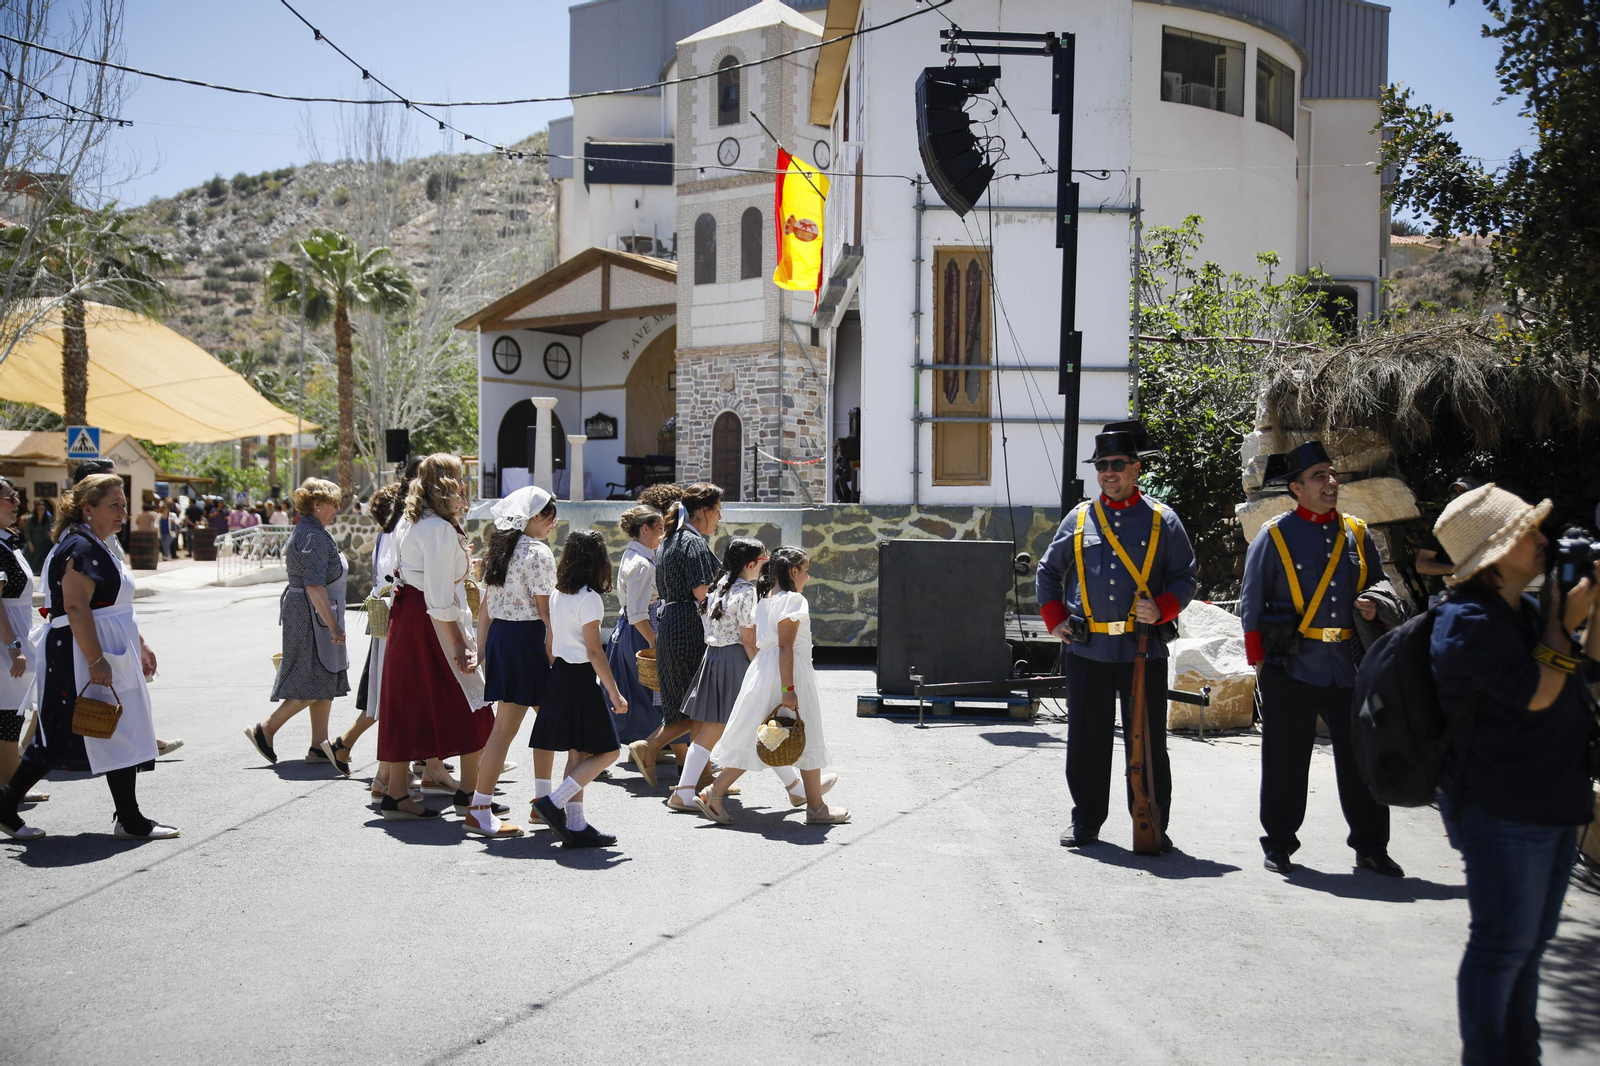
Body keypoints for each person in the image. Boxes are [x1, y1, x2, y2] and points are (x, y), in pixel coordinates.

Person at [1429, 484, 1598, 1065]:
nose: (1543, 540)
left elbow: (1588, 673)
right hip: (1502, 808)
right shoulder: (1466, 622)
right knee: (1502, 946)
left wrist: (1590, 611)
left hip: (1552, 799)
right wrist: (1564, 621)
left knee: (1529, 948)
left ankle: (1520, 1055)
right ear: (1495, 552)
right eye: (1529, 532)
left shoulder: (1524, 611)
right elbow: (1537, 691)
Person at [1241, 441, 1401, 876]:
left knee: (1361, 761)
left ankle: (1371, 847)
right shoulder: (1274, 536)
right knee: (1285, 761)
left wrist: (1374, 602)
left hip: (1347, 665)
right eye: (1319, 477)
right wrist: (1260, 669)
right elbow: (1250, 605)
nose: (1330, 483)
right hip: (1291, 666)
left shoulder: (1357, 532)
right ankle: (1278, 843)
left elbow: (1383, 586)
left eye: (1331, 475)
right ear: (1296, 488)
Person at [1036, 421, 1198, 851]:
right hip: (1088, 648)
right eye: (1102, 465)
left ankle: (1152, 819)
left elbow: (1185, 578)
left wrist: (1162, 607)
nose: (1108, 472)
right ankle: (1086, 820)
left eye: (1117, 464)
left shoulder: (1164, 520)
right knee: (1086, 741)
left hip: (1142, 649)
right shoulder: (1081, 517)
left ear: (1136, 468)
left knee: (1147, 742)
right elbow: (1048, 572)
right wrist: (1056, 621)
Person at [0, 474, 176, 841]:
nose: (123, 512)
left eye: (124, 504)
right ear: (87, 508)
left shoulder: (98, 542)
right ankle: (8, 806)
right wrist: (96, 661)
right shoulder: (78, 547)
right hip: (77, 654)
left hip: (104, 649)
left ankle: (128, 817)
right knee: (64, 734)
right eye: (114, 505)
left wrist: (139, 643)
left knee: (116, 729)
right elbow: (76, 607)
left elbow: (115, 604)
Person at [375, 453, 495, 822]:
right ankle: (469, 793)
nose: (463, 486)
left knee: (407, 704)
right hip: (431, 623)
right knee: (473, 704)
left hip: (409, 618)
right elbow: (441, 600)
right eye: (459, 479)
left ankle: (397, 792)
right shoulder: (439, 529)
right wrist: (459, 643)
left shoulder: (414, 522)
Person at [699, 546, 847, 825]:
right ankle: (816, 808)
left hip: (765, 671)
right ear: (793, 571)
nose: (808, 576)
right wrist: (788, 690)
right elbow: (786, 647)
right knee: (807, 732)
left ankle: (713, 792)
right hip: (787, 674)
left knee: (757, 737)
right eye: (805, 570)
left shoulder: (765, 598)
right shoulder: (793, 600)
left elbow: (765, 644)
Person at [463, 485, 559, 838]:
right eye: (551, 515)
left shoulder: (500, 550)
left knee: (536, 722)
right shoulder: (538, 553)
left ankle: (541, 803)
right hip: (528, 640)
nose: (555, 522)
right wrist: (555, 649)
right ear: (534, 516)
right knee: (513, 728)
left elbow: (486, 607)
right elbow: (547, 612)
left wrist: (483, 649)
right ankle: (482, 807)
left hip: (505, 640)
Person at [529, 530, 627, 848]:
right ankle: (554, 803)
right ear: (597, 562)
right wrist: (613, 692)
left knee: (579, 751)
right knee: (609, 751)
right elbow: (594, 651)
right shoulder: (590, 598)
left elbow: (551, 643)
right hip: (581, 679)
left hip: (560, 675)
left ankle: (576, 824)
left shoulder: (559, 593)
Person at [244, 479, 349, 768]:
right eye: (334, 503)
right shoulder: (312, 536)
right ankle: (265, 729)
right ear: (317, 505)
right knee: (312, 677)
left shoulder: (312, 531)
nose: (337, 509)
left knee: (324, 675)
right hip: (310, 614)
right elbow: (314, 586)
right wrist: (333, 626)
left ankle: (318, 745)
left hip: (311, 611)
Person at [631, 483, 722, 786]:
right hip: (688, 628)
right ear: (704, 511)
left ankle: (701, 776)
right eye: (717, 511)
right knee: (700, 706)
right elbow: (702, 593)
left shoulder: (671, 539)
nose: (719, 519)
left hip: (672, 624)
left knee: (694, 707)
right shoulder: (692, 543)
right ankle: (654, 748)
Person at [669, 537, 764, 812]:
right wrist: (760, 668)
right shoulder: (747, 592)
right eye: (762, 560)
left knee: (733, 726)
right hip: (734, 659)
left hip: (713, 657)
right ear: (750, 564)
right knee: (752, 723)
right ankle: (798, 788)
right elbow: (749, 640)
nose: (764, 565)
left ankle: (685, 791)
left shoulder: (722, 585)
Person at [321, 480, 405, 779]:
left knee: (380, 694)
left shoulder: (385, 536)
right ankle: (347, 745)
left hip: (384, 622)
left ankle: (347, 745)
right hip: (392, 623)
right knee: (383, 695)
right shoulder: (394, 537)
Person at [610, 504, 664, 749]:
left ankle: (652, 748)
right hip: (641, 632)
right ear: (645, 529)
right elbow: (637, 614)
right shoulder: (641, 563)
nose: (662, 534)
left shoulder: (633, 555)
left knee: (634, 693)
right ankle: (648, 748)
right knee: (645, 695)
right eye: (660, 529)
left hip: (631, 631)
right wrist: (653, 641)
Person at [0, 479, 41, 800]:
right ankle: (10, 788)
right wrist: (14, 648)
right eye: (9, 498)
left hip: (14, 634)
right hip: (5, 641)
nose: (16, 502)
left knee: (11, 714)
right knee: (8, 716)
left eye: (16, 496)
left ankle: (10, 784)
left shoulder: (7, 541)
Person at [23, 497, 53, 574]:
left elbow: (52, 528)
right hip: (33, 542)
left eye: (42, 509)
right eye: (39, 508)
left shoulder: (49, 519)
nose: (40, 510)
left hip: (43, 543)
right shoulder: (30, 519)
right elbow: (27, 532)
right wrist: (29, 543)